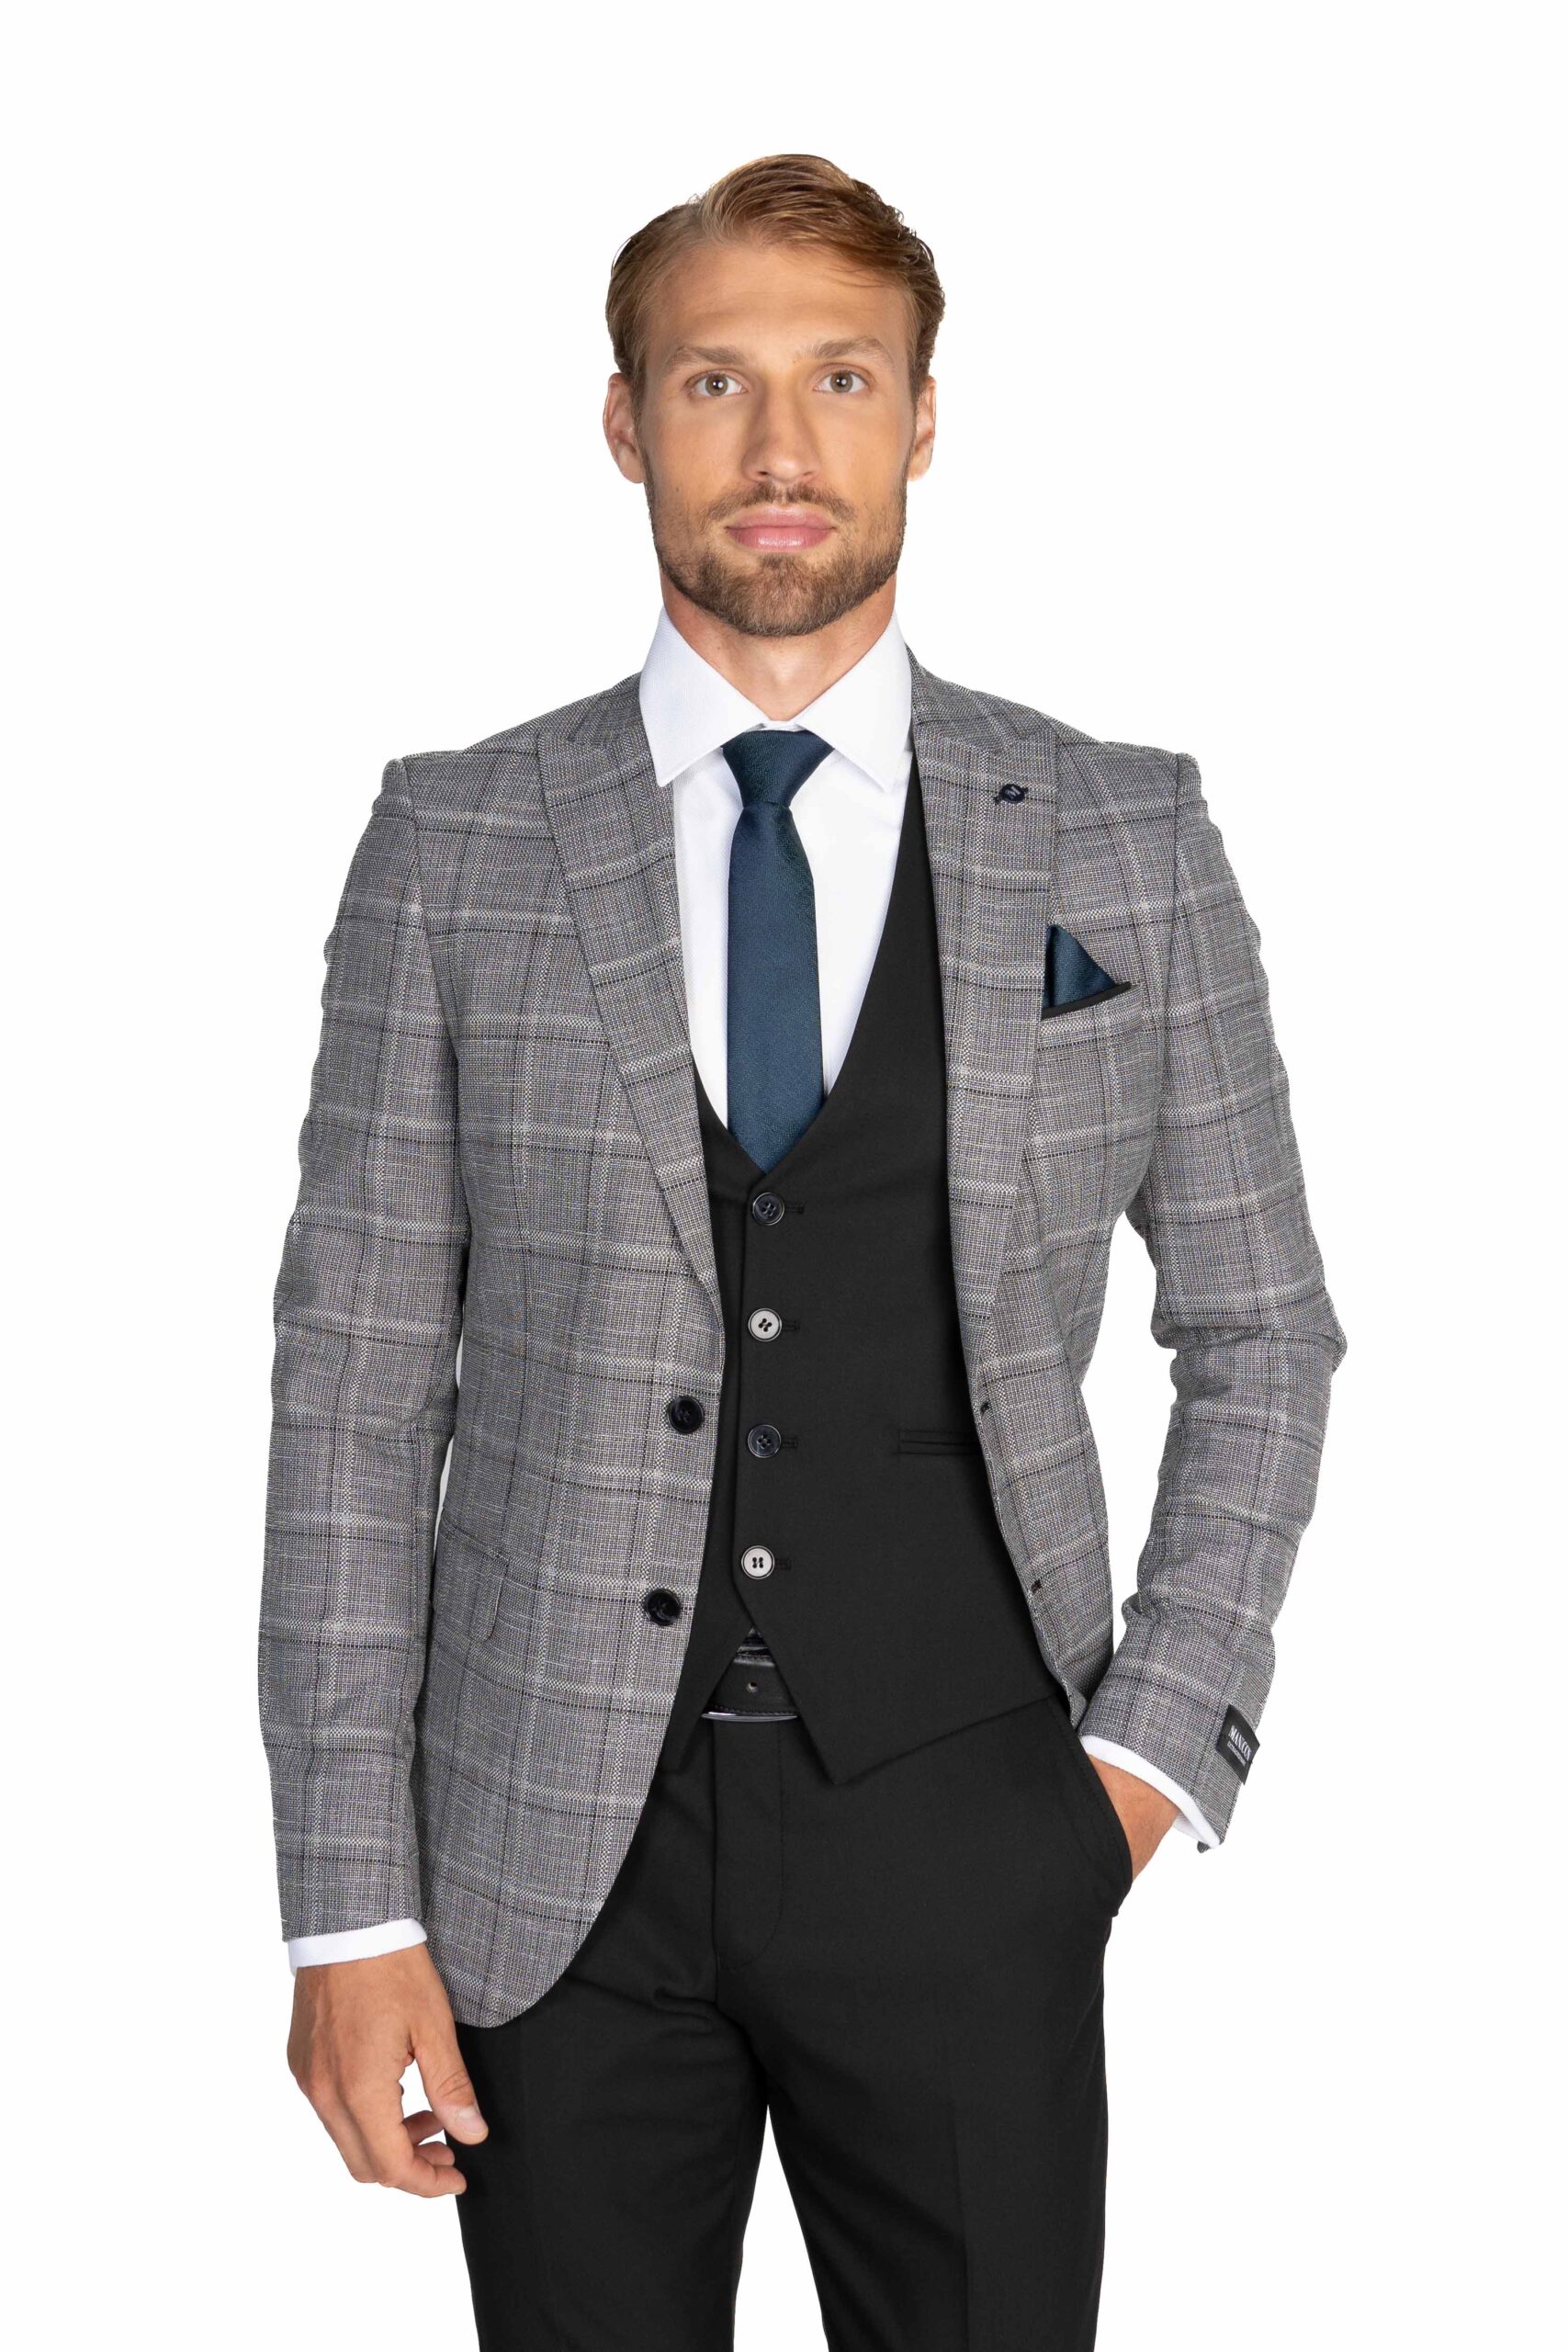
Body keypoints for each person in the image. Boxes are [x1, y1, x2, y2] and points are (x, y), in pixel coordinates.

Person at [261, 151, 1347, 2349]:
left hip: (974, 1833)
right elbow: (357, 1387)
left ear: (921, 417)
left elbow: (1259, 1331)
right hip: (548, 1857)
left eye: (839, 379)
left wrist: (1139, 1766)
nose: (778, 447)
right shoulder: (454, 841)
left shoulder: (1122, 833)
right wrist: (346, 1906)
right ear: (623, 419)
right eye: (712, 382)